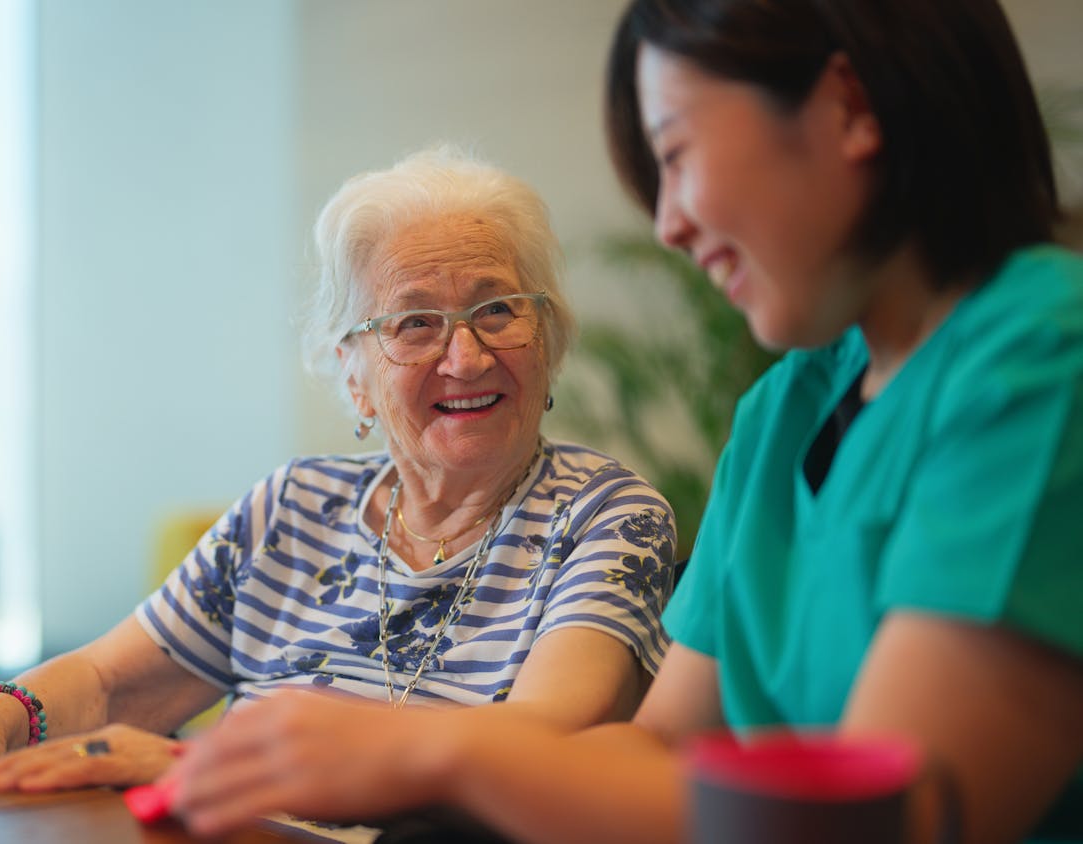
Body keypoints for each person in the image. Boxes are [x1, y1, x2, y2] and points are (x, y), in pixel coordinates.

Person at [171, 2, 1083, 842]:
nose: (669, 226)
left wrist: (432, 752)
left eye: (675, 155)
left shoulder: (1045, 362)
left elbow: (897, 819)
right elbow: (660, 748)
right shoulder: (784, 412)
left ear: (847, 108)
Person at [0, 146, 675, 793]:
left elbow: (547, 739)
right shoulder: (293, 506)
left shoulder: (607, 517)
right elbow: (111, 683)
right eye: (415, 323)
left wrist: (202, 766)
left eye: (496, 310)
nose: (466, 356)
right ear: (354, 374)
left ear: (548, 339)